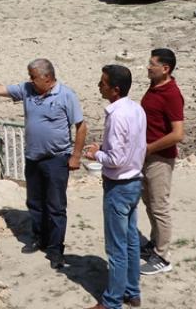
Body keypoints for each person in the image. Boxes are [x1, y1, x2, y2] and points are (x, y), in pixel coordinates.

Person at [0, 58, 86, 270]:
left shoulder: (66, 95)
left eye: (33, 77)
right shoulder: (27, 89)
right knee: (34, 202)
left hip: (56, 159)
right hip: (33, 158)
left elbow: (81, 126)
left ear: (48, 78)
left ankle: (55, 249)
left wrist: (76, 156)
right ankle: (38, 238)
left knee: (56, 206)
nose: (30, 81)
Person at [83, 64, 147, 309]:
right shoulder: (136, 109)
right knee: (131, 240)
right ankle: (132, 291)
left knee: (117, 247)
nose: (100, 86)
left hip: (119, 186)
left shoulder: (117, 114)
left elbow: (116, 159)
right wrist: (104, 149)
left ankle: (112, 301)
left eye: (103, 83)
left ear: (115, 89)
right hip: (134, 182)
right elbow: (133, 146)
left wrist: (96, 155)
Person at [140, 47, 185, 276]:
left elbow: (178, 133)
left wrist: (149, 148)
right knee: (149, 202)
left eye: (152, 64)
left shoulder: (172, 94)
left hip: (160, 159)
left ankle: (163, 256)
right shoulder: (155, 86)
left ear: (165, 69)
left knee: (160, 207)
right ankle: (155, 242)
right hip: (146, 156)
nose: (148, 67)